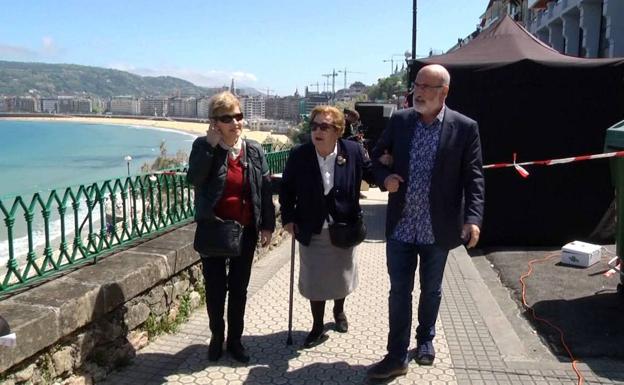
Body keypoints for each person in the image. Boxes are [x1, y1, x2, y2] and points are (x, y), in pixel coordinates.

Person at [367, 64, 485, 379]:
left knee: (431, 289)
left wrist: (473, 218)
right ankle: (395, 355)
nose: (417, 91)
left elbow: (474, 178)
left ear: (443, 92)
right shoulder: (401, 121)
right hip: (402, 226)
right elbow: (374, 156)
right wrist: (384, 177)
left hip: (439, 226)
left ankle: (426, 339)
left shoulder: (464, 127)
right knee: (398, 291)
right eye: (416, 85)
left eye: (426, 86)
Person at [187, 91, 275, 364]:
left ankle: (235, 340)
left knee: (239, 289)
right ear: (215, 123)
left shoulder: (254, 150)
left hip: (246, 230)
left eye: (238, 116)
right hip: (214, 229)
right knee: (215, 289)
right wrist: (210, 147)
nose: (236, 123)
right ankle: (216, 337)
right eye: (227, 118)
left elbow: (264, 188)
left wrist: (268, 225)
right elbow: (194, 178)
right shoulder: (203, 147)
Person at [279, 105, 372, 348]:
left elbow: (372, 173)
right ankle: (317, 326)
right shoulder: (300, 154)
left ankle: (339, 312)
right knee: (315, 279)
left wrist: (390, 173)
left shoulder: (352, 150)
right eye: (314, 126)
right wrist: (288, 218)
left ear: (338, 131)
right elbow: (287, 189)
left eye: (324, 127)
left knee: (342, 275)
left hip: (344, 225)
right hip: (311, 225)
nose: (317, 131)